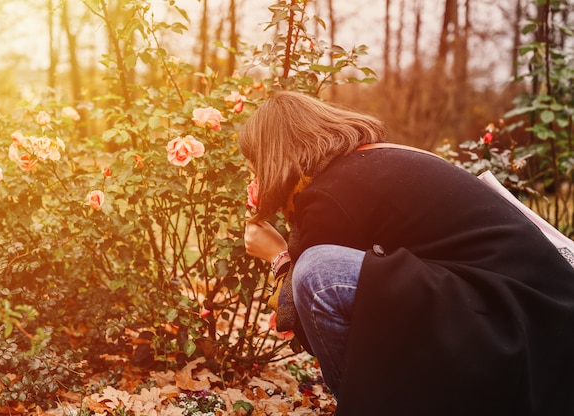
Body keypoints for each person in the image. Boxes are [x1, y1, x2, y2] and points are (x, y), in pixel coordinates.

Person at [240, 90, 574, 415]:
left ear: (274, 158)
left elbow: (310, 316)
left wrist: (280, 258)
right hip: (539, 320)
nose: (255, 178)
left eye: (255, 167)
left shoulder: (330, 195)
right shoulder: (371, 163)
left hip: (509, 324)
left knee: (317, 273)